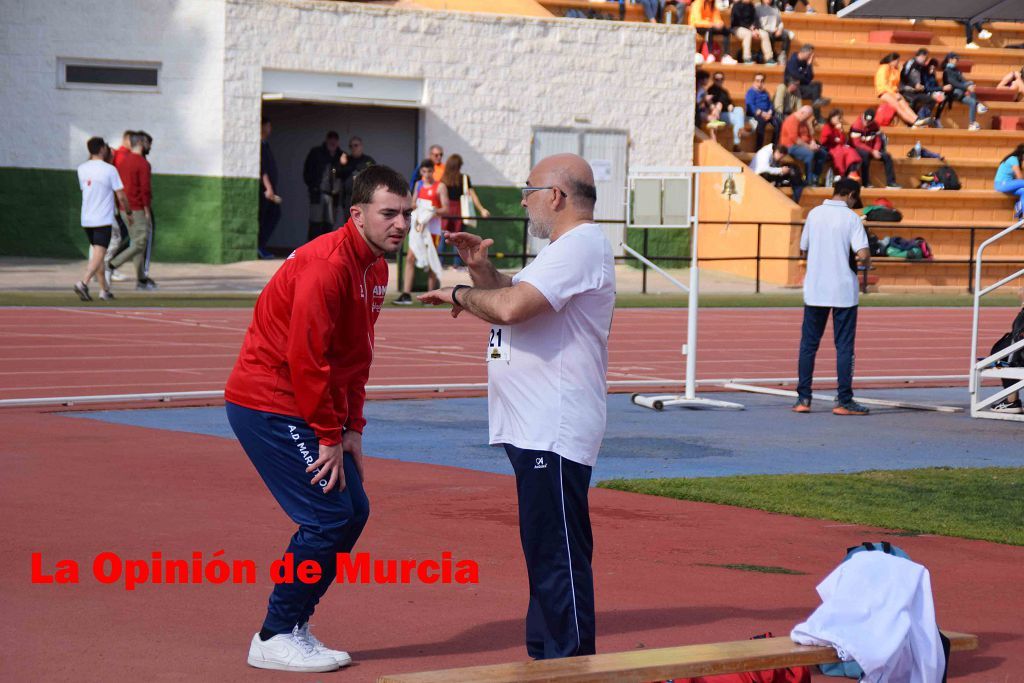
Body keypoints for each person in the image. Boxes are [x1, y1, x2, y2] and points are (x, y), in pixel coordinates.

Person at [418, 153, 614, 660]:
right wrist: (482, 271)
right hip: (535, 426)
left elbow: (510, 309)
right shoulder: (562, 250)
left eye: (528, 190)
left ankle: (569, 665)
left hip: (555, 425)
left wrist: (458, 292)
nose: (523, 201)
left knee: (558, 556)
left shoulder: (580, 246)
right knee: (544, 552)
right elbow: (515, 294)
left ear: (556, 196)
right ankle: (546, 658)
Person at [225, 166, 412, 674]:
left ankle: (293, 624)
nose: (400, 224)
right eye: (389, 213)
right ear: (356, 214)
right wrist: (328, 435)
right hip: (269, 402)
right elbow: (307, 359)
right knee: (328, 516)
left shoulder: (374, 268)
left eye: (407, 214)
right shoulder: (327, 266)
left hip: (311, 406)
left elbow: (354, 356)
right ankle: (274, 633)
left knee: (353, 511)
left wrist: (352, 429)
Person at [794, 178, 871, 416]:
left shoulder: (814, 214)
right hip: (843, 290)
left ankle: (803, 399)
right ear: (850, 195)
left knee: (808, 345)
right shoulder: (851, 218)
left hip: (816, 288)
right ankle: (844, 399)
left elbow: (803, 248)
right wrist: (865, 260)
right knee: (844, 347)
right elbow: (863, 253)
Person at [75, 137, 130, 302]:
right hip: (102, 219)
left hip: (86, 218)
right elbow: (120, 195)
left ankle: (104, 290)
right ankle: (83, 283)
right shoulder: (110, 169)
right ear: (101, 149)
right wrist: (128, 212)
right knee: (99, 254)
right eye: (105, 147)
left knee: (99, 255)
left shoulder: (81, 168)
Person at [395, 159, 448, 304]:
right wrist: (417, 207)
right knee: (411, 257)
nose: (427, 174)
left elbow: (446, 208)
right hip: (419, 228)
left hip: (433, 229)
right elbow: (412, 203)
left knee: (431, 259)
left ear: (433, 171)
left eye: (429, 171)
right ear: (421, 172)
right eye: (424, 172)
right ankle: (406, 294)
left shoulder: (440, 186)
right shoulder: (418, 185)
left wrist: (432, 211)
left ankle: (430, 295)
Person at [109, 132, 154, 290]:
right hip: (136, 208)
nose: (150, 147)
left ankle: (141, 279)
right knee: (140, 242)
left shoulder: (123, 161)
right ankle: (111, 264)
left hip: (124, 207)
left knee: (136, 242)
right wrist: (147, 210)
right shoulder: (142, 164)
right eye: (148, 143)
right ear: (141, 143)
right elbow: (145, 190)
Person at [439, 154, 490, 267]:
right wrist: (481, 209)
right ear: (459, 166)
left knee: (443, 237)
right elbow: (473, 195)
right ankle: (456, 265)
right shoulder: (464, 178)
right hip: (460, 210)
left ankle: (440, 263)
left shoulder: (443, 179)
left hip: (446, 209)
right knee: (458, 239)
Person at [303, 131, 346, 242]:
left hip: (333, 197)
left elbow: (344, 174)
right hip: (318, 194)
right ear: (326, 140)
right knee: (315, 224)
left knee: (329, 226)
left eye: (335, 139)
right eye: (331, 138)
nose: (333, 141)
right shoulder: (316, 152)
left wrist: (343, 164)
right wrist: (313, 187)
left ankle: (325, 253)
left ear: (338, 141)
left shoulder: (341, 155)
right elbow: (307, 171)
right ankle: (311, 251)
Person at [875, 52, 932, 127]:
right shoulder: (884, 67)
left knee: (905, 105)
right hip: (883, 92)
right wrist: (893, 93)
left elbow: (895, 84)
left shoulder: (895, 70)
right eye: (897, 61)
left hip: (893, 92)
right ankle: (913, 122)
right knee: (897, 106)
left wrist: (896, 92)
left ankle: (917, 119)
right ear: (892, 60)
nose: (898, 63)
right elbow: (883, 83)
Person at [850, 108, 900, 189]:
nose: (866, 123)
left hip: (872, 149)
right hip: (858, 149)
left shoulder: (875, 125)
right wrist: (872, 151)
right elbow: (857, 143)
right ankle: (865, 183)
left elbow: (878, 139)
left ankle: (891, 182)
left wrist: (876, 150)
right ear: (863, 117)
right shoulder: (856, 125)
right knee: (865, 155)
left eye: (869, 121)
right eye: (865, 120)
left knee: (887, 156)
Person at [780, 105, 827, 187]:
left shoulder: (803, 121)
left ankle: (815, 177)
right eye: (807, 116)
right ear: (802, 113)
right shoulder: (791, 120)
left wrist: (813, 143)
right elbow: (795, 139)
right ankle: (809, 181)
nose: (808, 119)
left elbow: (809, 135)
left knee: (822, 154)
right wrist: (809, 147)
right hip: (791, 146)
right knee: (809, 154)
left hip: (803, 145)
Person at [943, 52, 989, 131]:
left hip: (961, 91)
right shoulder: (947, 71)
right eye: (956, 59)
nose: (957, 60)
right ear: (950, 60)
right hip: (953, 93)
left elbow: (962, 80)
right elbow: (954, 84)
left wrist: (969, 86)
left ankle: (972, 123)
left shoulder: (956, 70)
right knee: (967, 86)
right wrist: (966, 87)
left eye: (958, 59)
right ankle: (978, 105)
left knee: (972, 100)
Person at [785, 45, 830, 120]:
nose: (810, 57)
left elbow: (810, 77)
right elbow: (797, 77)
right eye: (810, 55)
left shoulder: (805, 62)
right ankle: (818, 116)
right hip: (793, 88)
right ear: (804, 53)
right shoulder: (792, 62)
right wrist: (804, 77)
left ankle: (816, 101)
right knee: (814, 92)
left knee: (818, 84)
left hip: (802, 85)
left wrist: (809, 65)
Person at [258, 119, 282, 259]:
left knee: (274, 214)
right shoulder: (259, 145)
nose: (269, 129)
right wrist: (268, 188)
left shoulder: (265, 144)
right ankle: (259, 246)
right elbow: (263, 169)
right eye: (267, 126)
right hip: (265, 192)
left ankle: (261, 246)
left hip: (271, 190)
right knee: (268, 216)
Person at [900, 48, 945, 121]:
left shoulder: (917, 65)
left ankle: (922, 119)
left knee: (931, 99)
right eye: (925, 57)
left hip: (913, 90)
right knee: (924, 100)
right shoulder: (913, 64)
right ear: (921, 56)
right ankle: (917, 120)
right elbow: (908, 76)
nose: (926, 60)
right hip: (907, 90)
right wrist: (916, 85)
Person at [820, 109, 862, 181]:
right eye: (838, 118)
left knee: (851, 151)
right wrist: (835, 139)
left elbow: (842, 141)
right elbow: (824, 140)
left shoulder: (839, 127)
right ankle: (841, 173)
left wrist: (840, 131)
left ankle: (852, 171)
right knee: (840, 152)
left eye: (840, 118)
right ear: (832, 118)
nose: (839, 120)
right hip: (830, 147)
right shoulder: (827, 127)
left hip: (839, 146)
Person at [708, 72, 748, 149]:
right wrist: (727, 106)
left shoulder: (724, 91)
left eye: (721, 79)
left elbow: (730, 101)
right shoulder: (711, 90)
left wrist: (731, 105)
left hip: (728, 111)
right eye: (717, 79)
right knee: (738, 119)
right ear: (713, 80)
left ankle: (740, 130)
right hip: (720, 113)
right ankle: (737, 142)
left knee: (739, 109)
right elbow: (717, 104)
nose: (719, 81)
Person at [690, 0, 735, 64]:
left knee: (726, 31)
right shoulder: (698, 2)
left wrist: (720, 23)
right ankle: (709, 54)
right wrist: (712, 24)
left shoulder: (712, 4)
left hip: (710, 25)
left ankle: (726, 56)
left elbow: (717, 18)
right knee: (709, 30)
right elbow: (697, 21)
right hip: (697, 26)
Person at [340, 136, 376, 217]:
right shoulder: (346, 160)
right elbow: (337, 174)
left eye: (356, 145)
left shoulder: (368, 161)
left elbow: (375, 177)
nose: (353, 148)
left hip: (363, 199)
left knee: (361, 225)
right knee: (349, 225)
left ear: (361, 146)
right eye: (351, 146)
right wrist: (341, 164)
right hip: (348, 199)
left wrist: (361, 179)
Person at [731, 0, 773, 65]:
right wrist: (750, 29)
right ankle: (747, 58)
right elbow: (738, 21)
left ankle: (769, 58)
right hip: (737, 28)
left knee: (765, 34)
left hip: (751, 29)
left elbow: (756, 19)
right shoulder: (736, 6)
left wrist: (755, 29)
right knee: (748, 34)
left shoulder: (751, 6)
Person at [746, 72, 780, 149]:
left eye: (761, 81)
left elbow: (770, 104)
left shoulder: (765, 93)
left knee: (778, 123)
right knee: (761, 124)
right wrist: (762, 113)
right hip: (756, 115)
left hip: (767, 114)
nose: (760, 83)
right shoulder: (750, 92)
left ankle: (773, 147)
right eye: (757, 80)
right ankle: (758, 148)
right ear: (754, 81)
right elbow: (750, 105)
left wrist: (770, 111)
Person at [994, 144, 1024, 218]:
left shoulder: (1016, 160)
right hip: (1002, 184)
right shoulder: (1013, 159)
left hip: (1008, 185)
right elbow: (1020, 177)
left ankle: (1021, 212)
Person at [756, 0, 790, 65]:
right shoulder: (757, 7)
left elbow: (780, 22)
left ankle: (783, 56)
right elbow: (756, 22)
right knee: (769, 36)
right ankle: (771, 56)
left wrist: (779, 29)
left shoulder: (775, 8)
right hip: (764, 30)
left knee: (786, 36)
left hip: (775, 30)